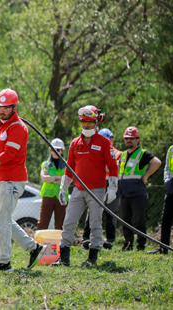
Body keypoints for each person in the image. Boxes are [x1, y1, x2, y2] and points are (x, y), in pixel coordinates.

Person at [0, 88, 46, 271]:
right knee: (3, 220)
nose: (2, 110)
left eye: (6, 108)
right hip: (4, 180)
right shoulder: (2, 126)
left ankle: (4, 262)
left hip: (12, 180)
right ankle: (34, 248)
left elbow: (8, 155)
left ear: (14, 107)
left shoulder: (18, 127)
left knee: (2, 221)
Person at [51, 105, 118, 266]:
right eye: (84, 122)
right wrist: (63, 187)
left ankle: (92, 258)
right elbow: (70, 168)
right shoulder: (75, 143)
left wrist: (113, 187)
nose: (87, 125)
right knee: (68, 221)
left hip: (97, 190)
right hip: (78, 189)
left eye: (90, 122)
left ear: (96, 122)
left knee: (95, 223)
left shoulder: (104, 143)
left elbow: (113, 166)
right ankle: (64, 257)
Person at [148, 119, 173, 255]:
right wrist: (167, 181)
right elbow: (166, 168)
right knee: (166, 218)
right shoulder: (172, 149)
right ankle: (163, 247)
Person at [117, 126, 161, 251]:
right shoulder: (123, 154)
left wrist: (146, 175)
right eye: (127, 138)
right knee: (125, 220)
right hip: (124, 193)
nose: (129, 141)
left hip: (137, 193)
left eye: (131, 138)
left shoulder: (142, 153)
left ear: (138, 139)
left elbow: (157, 162)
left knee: (139, 220)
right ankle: (128, 243)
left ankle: (140, 245)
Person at [82, 128, 121, 249]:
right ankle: (86, 238)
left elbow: (114, 167)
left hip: (111, 183)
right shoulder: (94, 149)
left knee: (111, 212)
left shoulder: (116, 152)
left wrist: (100, 166)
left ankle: (109, 240)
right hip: (97, 183)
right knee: (92, 211)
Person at [37, 138, 67, 230]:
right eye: (53, 149)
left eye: (58, 150)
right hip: (47, 196)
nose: (55, 152)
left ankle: (60, 244)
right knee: (43, 223)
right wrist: (59, 178)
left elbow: (67, 180)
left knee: (60, 224)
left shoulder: (67, 165)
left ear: (62, 151)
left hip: (61, 196)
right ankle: (39, 243)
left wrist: (51, 178)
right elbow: (44, 178)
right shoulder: (45, 164)